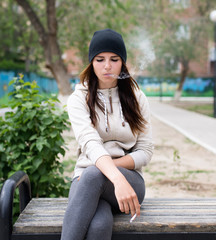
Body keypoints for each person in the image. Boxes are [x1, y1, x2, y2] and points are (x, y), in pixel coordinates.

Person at [61, 29, 153, 240]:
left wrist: (116, 175)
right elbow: (90, 143)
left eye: (114, 59)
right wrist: (107, 173)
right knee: (99, 225)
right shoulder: (79, 99)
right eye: (100, 59)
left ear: (123, 63)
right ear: (91, 63)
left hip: (129, 182)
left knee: (94, 174)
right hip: (84, 179)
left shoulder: (137, 98)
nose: (107, 66)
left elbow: (146, 151)